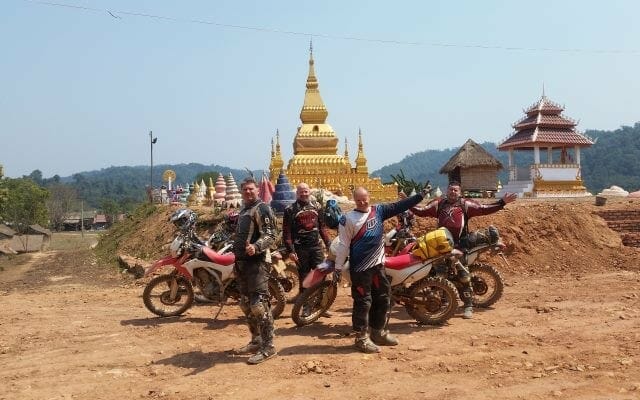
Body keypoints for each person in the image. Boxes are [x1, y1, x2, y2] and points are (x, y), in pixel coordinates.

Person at [334, 186, 428, 353]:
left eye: (365, 198)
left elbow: (399, 205)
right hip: (360, 268)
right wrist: (338, 267)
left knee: (384, 299)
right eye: (358, 200)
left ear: (369, 197)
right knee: (363, 302)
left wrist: (419, 196)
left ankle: (378, 332)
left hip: (378, 266)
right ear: (354, 200)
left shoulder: (379, 211)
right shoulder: (347, 219)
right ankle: (361, 338)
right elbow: (343, 245)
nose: (363, 202)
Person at [410, 181, 517, 319]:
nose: (453, 192)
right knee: (438, 274)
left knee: (464, 275)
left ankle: (468, 305)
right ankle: (442, 302)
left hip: (460, 245)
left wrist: (502, 202)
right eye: (450, 190)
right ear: (446, 191)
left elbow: (484, 208)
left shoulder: (465, 204)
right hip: (442, 245)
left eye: (455, 190)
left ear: (460, 192)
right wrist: (408, 204)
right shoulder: (439, 204)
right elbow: (422, 211)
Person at [232, 177, 278, 364]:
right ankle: (256, 339)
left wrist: (257, 247)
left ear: (257, 190)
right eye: (245, 190)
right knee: (245, 304)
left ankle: (269, 347)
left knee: (259, 305)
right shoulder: (244, 210)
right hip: (242, 263)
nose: (248, 192)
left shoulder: (262, 208)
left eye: (251, 189)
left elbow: (271, 234)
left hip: (258, 262)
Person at [282, 182, 332, 306]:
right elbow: (286, 232)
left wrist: (329, 245)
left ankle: (321, 305)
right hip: (300, 249)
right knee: (304, 277)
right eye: (301, 192)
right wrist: (291, 251)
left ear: (309, 192)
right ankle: (305, 306)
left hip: (316, 247)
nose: (304, 194)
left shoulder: (317, 206)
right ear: (297, 194)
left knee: (321, 274)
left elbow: (322, 228)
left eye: (306, 191)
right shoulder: (290, 210)